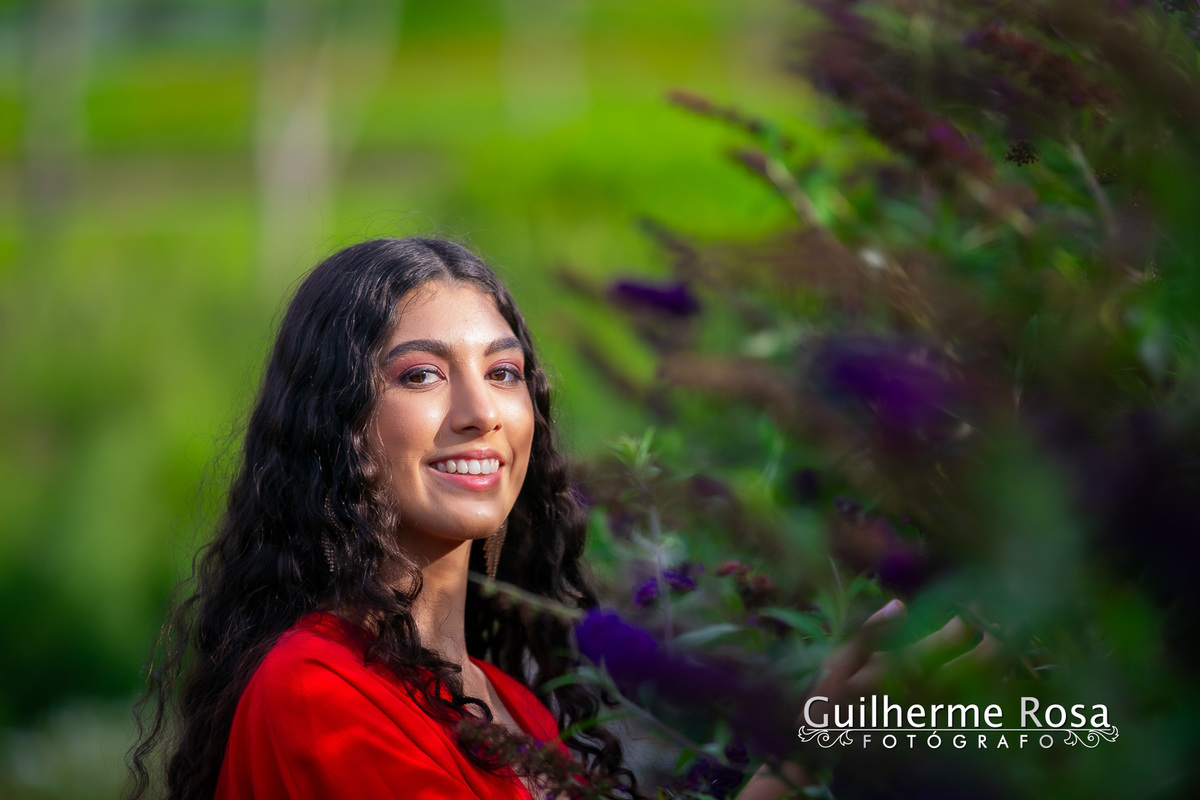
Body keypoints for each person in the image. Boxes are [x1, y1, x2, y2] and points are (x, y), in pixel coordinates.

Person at [128, 237, 991, 800]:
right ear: (339, 427)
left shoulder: (515, 710)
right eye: (422, 376)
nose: (481, 412)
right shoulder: (317, 694)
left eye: (504, 374)